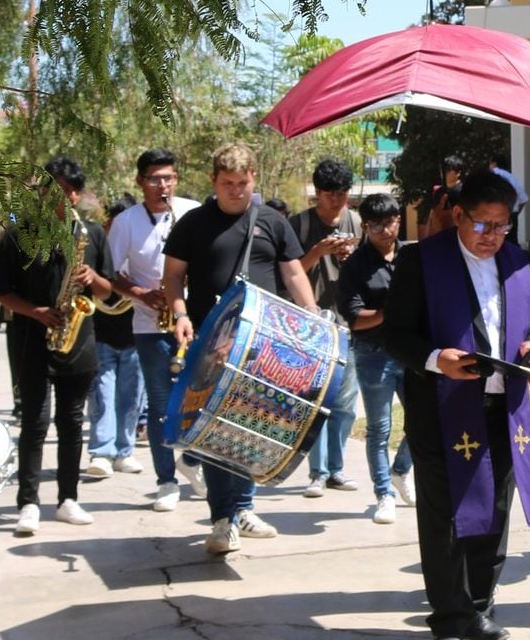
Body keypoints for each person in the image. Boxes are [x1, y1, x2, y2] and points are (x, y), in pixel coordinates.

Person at [385, 171, 530, 640]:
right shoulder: (422, 260)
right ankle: (447, 619)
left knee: (495, 509)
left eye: (502, 226)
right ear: (458, 215)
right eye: (482, 225)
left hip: (504, 403)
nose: (492, 237)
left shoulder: (517, 262)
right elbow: (396, 334)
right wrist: (438, 359)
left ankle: (479, 605)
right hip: (442, 404)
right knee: (446, 516)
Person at [164, 142, 317, 552]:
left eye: (243, 183)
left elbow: (293, 271)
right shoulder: (193, 224)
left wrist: (312, 312)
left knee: (250, 427)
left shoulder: (271, 221)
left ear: (254, 179)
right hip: (211, 344)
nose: (236, 190)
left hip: (261, 345)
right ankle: (221, 519)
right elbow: (173, 276)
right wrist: (180, 313)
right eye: (227, 183)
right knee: (214, 431)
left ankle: (244, 508)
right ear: (213, 181)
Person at [0, 156, 116, 535]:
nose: (54, 198)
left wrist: (93, 276)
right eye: (47, 190)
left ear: (75, 196)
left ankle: (68, 498)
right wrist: (35, 311)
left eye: (63, 191)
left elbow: (109, 292)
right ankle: (28, 502)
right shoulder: (17, 234)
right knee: (35, 422)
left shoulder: (91, 234)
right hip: (31, 339)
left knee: (73, 422)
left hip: (79, 339)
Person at [108, 147, 206, 511]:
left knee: (201, 400)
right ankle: (166, 482)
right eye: (154, 178)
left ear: (176, 179)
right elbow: (110, 273)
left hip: (194, 322)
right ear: (140, 181)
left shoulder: (193, 212)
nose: (162, 185)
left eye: (168, 177)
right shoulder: (126, 222)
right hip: (150, 326)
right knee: (162, 408)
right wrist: (142, 295)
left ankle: (193, 462)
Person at [336, 192, 415, 524]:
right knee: (379, 428)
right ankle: (383, 493)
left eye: (391, 221)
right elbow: (354, 317)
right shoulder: (355, 265)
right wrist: (388, 311)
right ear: (365, 226)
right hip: (373, 353)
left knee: (422, 420)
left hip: (411, 350)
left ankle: (400, 471)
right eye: (376, 225)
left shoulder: (412, 256)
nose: (386, 230)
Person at [289, 158, 361, 497]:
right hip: (310, 325)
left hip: (347, 322)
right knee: (313, 401)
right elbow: (287, 275)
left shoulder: (356, 221)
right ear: (317, 193)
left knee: (345, 403)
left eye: (344, 193)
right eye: (331, 194)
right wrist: (317, 252)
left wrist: (350, 260)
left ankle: (337, 469)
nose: (337, 201)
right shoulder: (299, 226)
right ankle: (316, 473)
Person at [86, 195, 146, 479]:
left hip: (136, 332)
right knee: (102, 395)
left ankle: (125, 450)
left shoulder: (140, 250)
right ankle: (101, 451)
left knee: (131, 397)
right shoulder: (95, 245)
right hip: (100, 331)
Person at [487, 151, 528, 245]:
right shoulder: (511, 177)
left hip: (496, 216)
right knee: (512, 244)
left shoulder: (493, 173)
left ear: (494, 163)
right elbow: (523, 199)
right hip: (512, 215)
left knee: (496, 243)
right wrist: (515, 213)